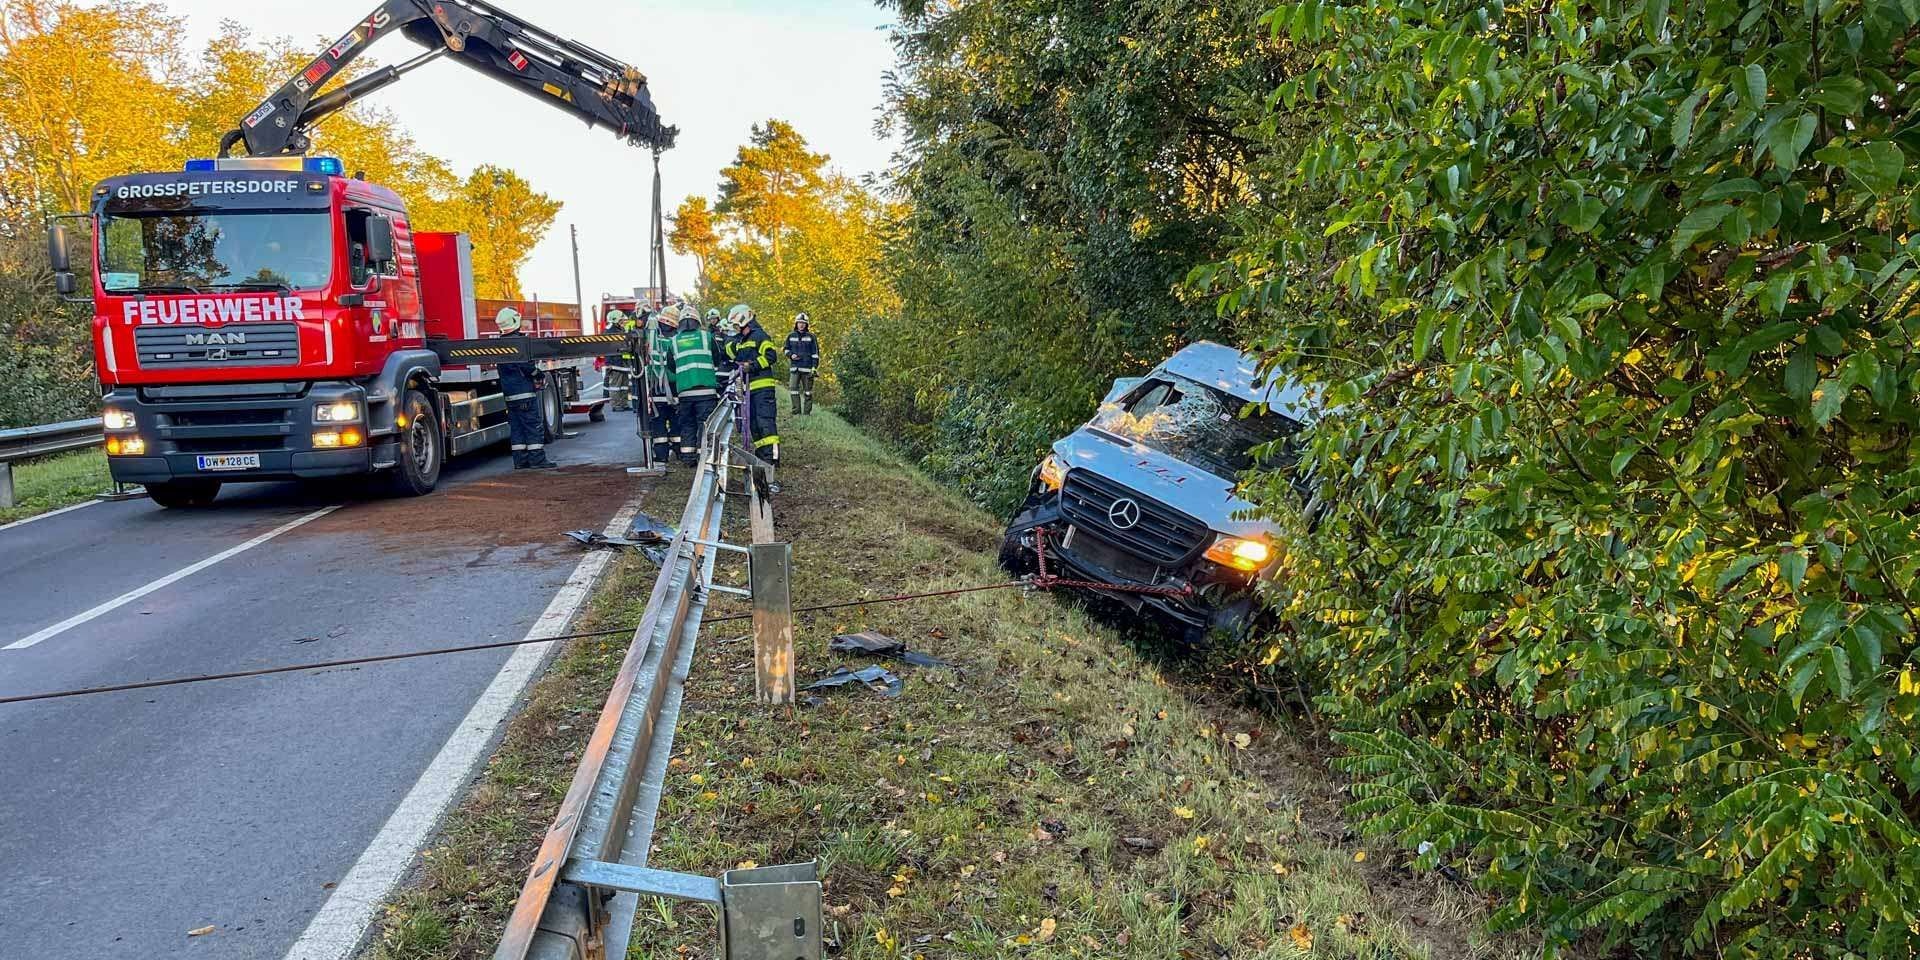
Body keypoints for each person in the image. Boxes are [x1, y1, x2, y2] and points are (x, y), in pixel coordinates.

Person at [496, 307, 556, 469]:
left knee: (517, 429)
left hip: (510, 395)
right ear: (515, 321)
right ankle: (537, 460)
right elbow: (526, 366)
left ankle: (520, 461)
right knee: (532, 426)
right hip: (524, 394)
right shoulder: (518, 343)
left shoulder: (498, 343)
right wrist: (539, 375)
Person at [723, 304, 782, 466]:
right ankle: (762, 455)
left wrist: (753, 365)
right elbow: (733, 354)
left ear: (744, 321)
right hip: (750, 389)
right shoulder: (743, 340)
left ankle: (772, 458)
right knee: (754, 424)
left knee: (765, 422)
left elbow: (771, 356)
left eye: (736, 325)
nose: (735, 328)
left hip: (763, 388)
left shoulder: (760, 336)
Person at [669, 305, 720, 463]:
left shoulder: (674, 341)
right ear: (697, 320)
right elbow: (717, 358)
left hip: (684, 392)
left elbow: (671, 366)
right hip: (706, 391)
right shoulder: (706, 337)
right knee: (705, 426)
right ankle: (703, 456)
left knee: (687, 425)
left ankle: (688, 458)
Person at [641, 307, 678, 465]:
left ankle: (661, 455)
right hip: (675, 386)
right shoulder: (677, 339)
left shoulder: (650, 336)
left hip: (655, 386)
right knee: (677, 420)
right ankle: (679, 452)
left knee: (658, 421)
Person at [784, 312, 820, 415]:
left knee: (808, 392)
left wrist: (814, 367)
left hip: (808, 369)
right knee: (793, 389)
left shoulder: (811, 337)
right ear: (796, 323)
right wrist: (791, 355)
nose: (801, 325)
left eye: (803, 323)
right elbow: (786, 349)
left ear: (806, 325)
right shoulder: (790, 336)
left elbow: (815, 354)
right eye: (799, 323)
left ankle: (806, 413)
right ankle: (796, 411)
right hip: (795, 368)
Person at [604, 308, 636, 411]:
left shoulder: (619, 330)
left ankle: (624, 403)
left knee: (624, 385)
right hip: (615, 363)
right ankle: (616, 405)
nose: (623, 322)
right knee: (616, 385)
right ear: (615, 320)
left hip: (621, 362)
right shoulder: (611, 332)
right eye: (621, 321)